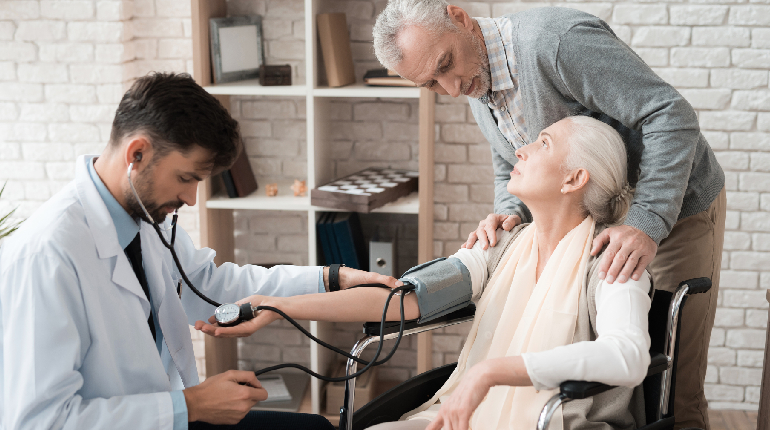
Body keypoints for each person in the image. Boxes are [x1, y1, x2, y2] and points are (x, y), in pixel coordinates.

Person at [371, 2, 726, 429]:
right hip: (596, 220)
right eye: (432, 83)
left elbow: (670, 115)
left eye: (446, 65)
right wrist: (507, 214)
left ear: (459, 17)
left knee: (671, 389)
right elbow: (507, 161)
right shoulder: (473, 79)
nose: (450, 88)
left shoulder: (556, 43)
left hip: (672, 204)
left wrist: (646, 222)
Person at [198, 116, 655, 430]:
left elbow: (628, 357)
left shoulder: (612, 261)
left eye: (543, 143)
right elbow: (403, 299)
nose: (522, 148)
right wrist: (278, 306)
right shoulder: (502, 247)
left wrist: (492, 372)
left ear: (574, 179)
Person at [0, 72, 398, 430]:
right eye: (186, 178)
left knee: (315, 428)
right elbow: (38, 421)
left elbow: (207, 284)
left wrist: (331, 278)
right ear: (136, 154)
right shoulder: (47, 256)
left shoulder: (141, 216)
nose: (191, 198)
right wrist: (187, 406)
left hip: (171, 417)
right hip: (170, 417)